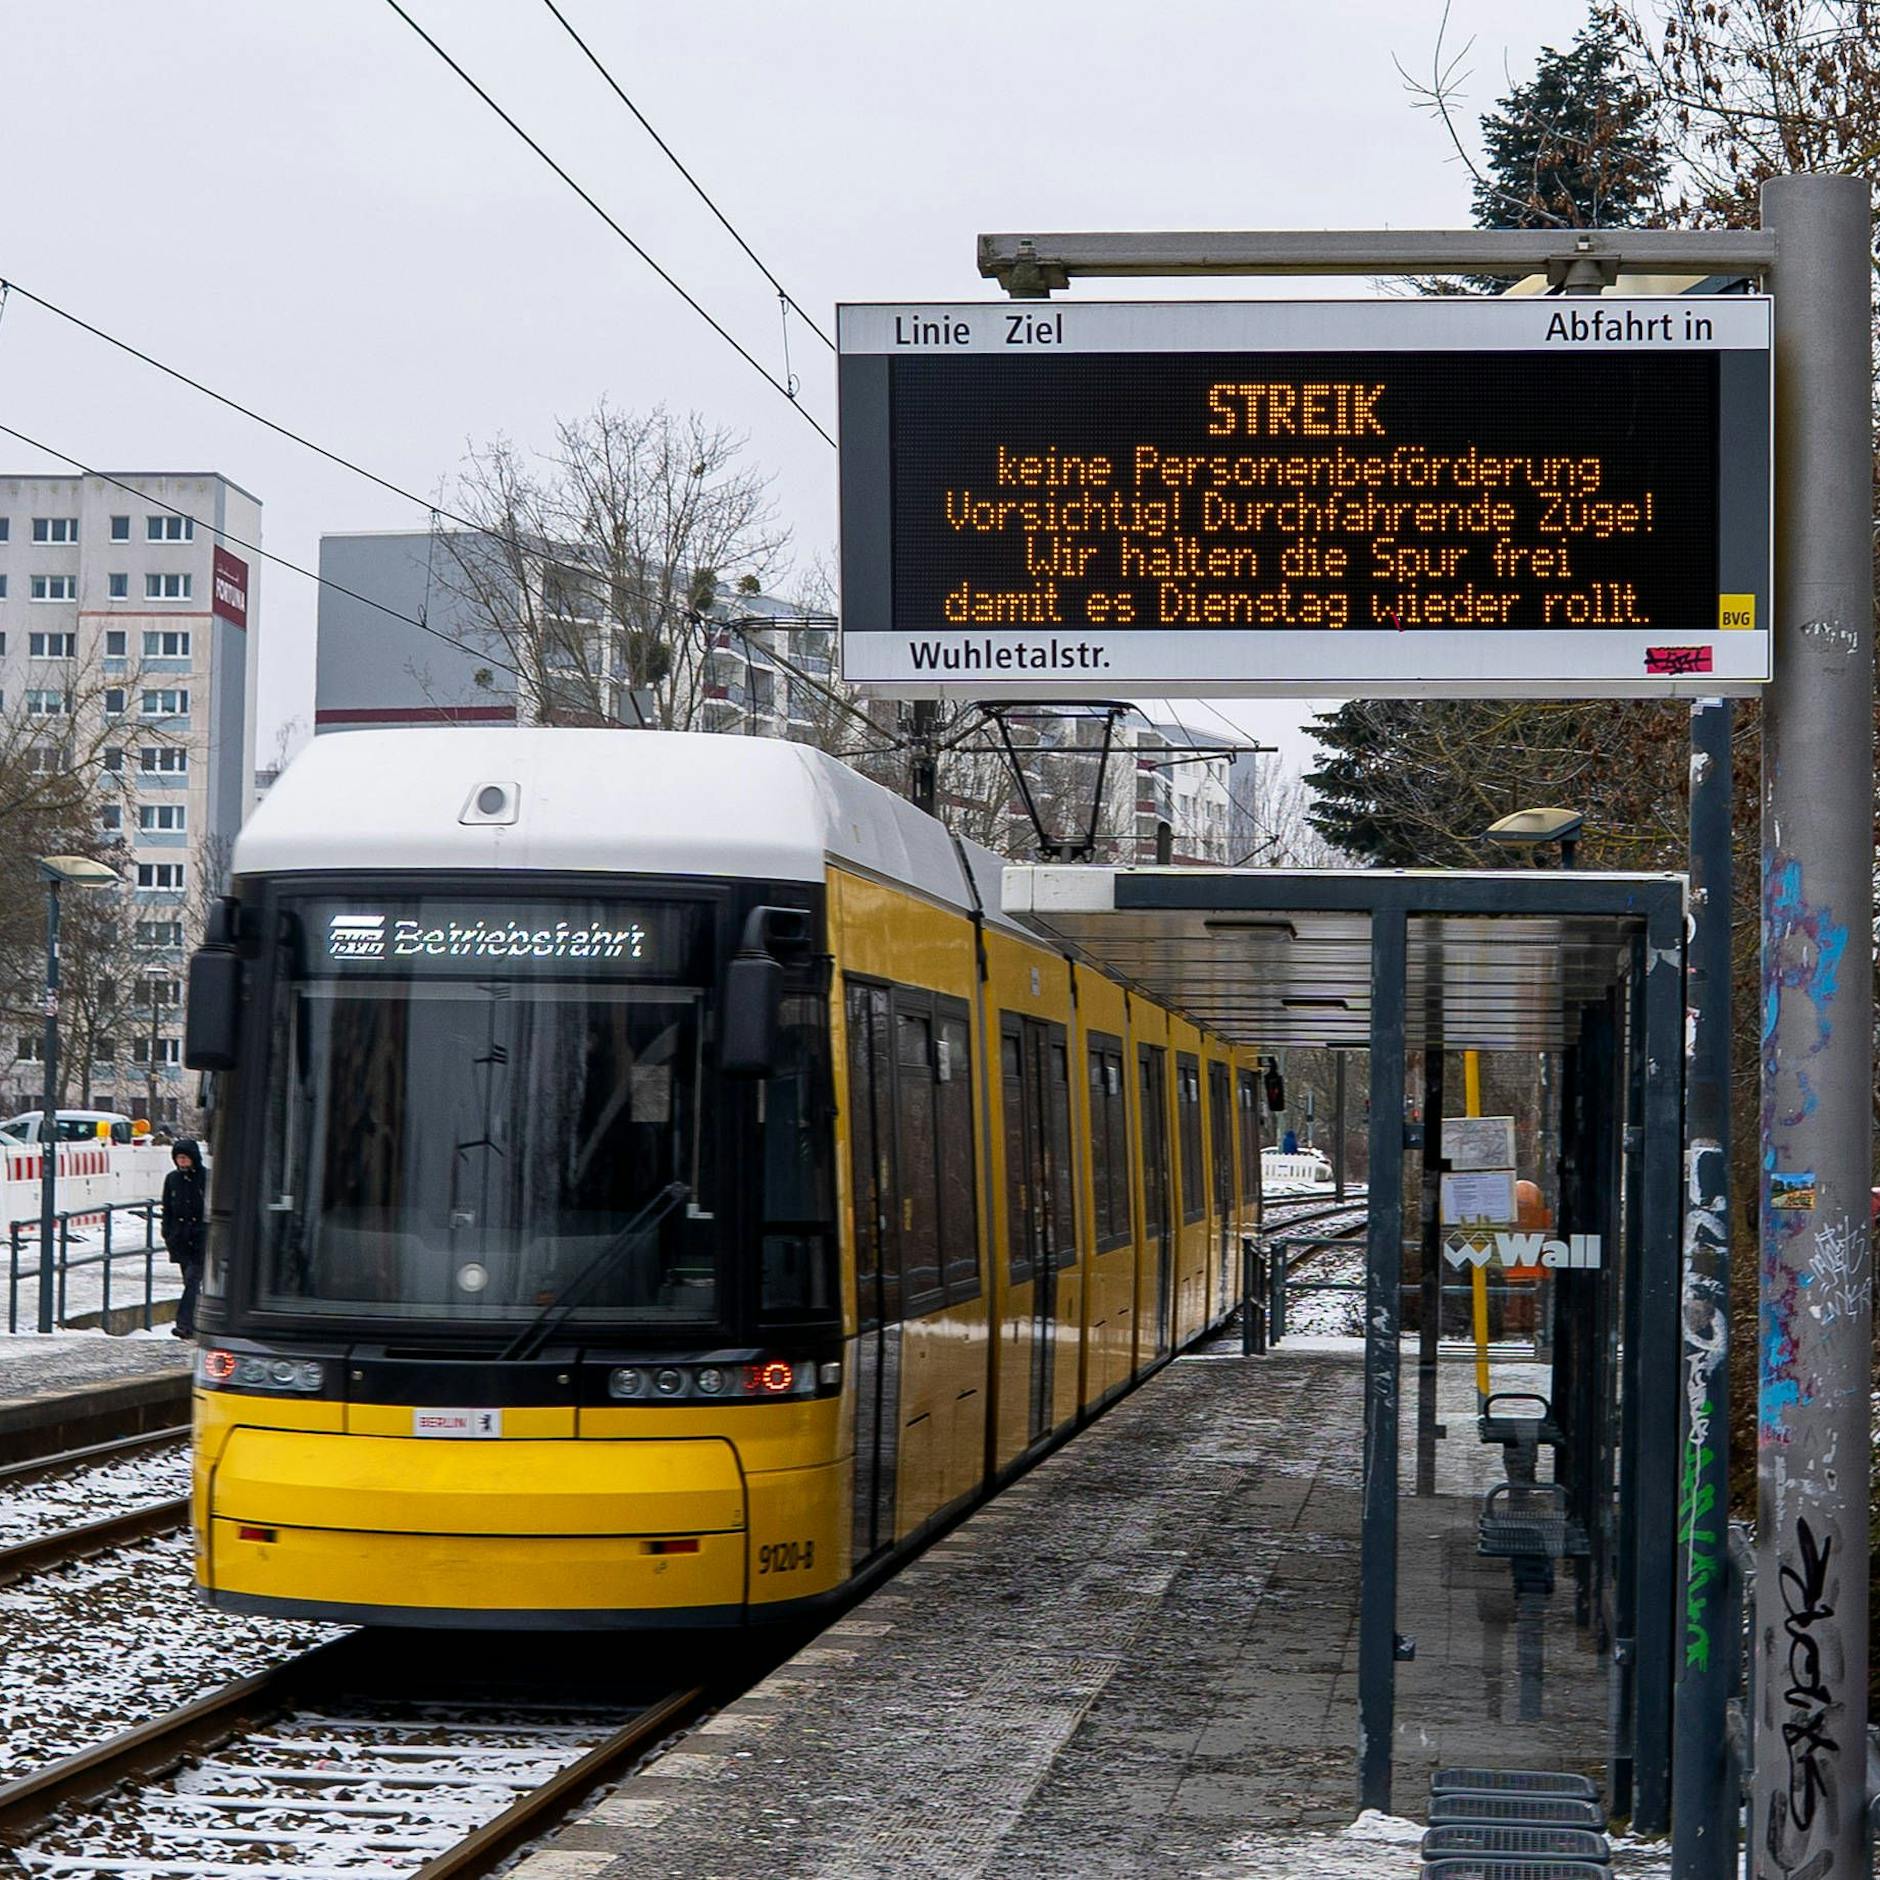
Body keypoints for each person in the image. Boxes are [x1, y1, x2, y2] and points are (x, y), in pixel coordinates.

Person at [162, 1140, 206, 1338]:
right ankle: (195, 1322)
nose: (182, 1161)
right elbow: (167, 1209)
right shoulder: (172, 1179)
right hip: (180, 1239)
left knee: (192, 1279)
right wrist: (168, 1233)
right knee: (190, 1281)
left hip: (200, 1239)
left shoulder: (205, 1178)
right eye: (179, 1158)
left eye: (185, 1157)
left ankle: (184, 1323)